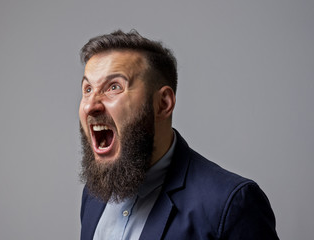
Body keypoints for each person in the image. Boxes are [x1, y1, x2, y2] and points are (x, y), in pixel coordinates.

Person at [78, 30, 279, 240]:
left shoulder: (230, 205)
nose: (91, 105)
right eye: (88, 89)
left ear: (163, 104)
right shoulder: (94, 195)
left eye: (114, 87)